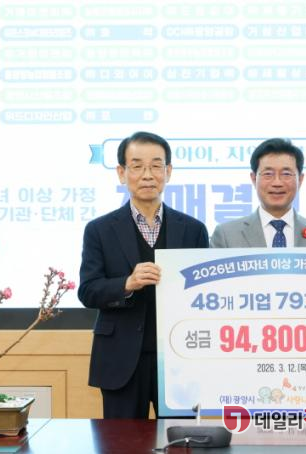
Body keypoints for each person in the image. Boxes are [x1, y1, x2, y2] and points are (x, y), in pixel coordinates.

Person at [78, 131, 209, 418]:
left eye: (156, 166)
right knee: (121, 439)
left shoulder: (193, 229)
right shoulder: (99, 230)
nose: (147, 175)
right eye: (137, 166)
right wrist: (126, 283)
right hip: (120, 358)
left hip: (180, 359)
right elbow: (88, 291)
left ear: (168, 172)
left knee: (181, 437)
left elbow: (205, 296)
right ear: (121, 173)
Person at [211, 138, 306, 248]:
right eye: (268, 174)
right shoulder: (226, 235)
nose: (277, 182)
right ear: (254, 179)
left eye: (286, 174)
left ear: (300, 180)